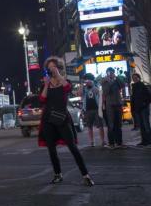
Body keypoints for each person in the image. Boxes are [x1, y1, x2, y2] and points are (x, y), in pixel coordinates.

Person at [38, 57, 93, 187]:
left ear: (59, 68)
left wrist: (58, 76)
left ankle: (85, 175)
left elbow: (68, 88)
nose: (51, 70)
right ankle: (57, 174)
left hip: (62, 118)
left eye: (54, 67)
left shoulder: (65, 82)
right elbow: (42, 99)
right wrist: (46, 84)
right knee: (51, 149)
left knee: (73, 147)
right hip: (48, 119)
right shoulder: (45, 84)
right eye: (49, 68)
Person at [101, 67, 126, 149]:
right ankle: (111, 143)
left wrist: (116, 77)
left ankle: (119, 142)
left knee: (118, 124)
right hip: (110, 105)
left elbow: (122, 85)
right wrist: (109, 81)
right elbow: (106, 92)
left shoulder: (117, 80)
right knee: (111, 125)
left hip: (118, 104)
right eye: (109, 72)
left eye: (112, 72)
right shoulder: (104, 82)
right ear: (107, 73)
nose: (111, 73)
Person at [78, 76, 105, 147]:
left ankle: (103, 141)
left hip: (97, 109)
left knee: (100, 126)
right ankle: (92, 142)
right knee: (89, 126)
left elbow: (99, 92)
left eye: (89, 81)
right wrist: (81, 84)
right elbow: (79, 94)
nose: (88, 82)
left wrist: (92, 85)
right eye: (87, 81)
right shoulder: (84, 89)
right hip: (87, 110)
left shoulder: (96, 86)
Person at [130, 73, 151, 146]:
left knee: (145, 124)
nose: (134, 79)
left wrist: (144, 104)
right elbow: (134, 99)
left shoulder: (142, 85)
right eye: (133, 78)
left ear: (139, 78)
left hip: (143, 109)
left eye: (136, 77)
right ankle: (144, 141)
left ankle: (148, 140)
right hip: (138, 109)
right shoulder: (134, 87)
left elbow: (149, 97)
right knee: (142, 125)